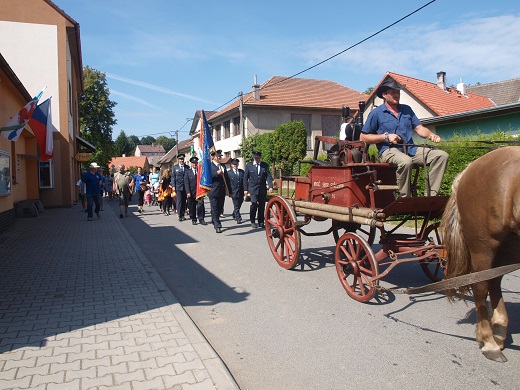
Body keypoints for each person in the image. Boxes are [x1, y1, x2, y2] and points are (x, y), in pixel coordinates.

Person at [360, 79, 449, 198]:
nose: (397, 95)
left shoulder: (407, 110)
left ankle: (430, 196)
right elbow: (363, 137)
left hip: (411, 149)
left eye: (398, 92)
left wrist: (431, 135)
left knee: (441, 156)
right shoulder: (376, 113)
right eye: (393, 92)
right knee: (406, 161)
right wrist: (386, 136)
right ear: (384, 95)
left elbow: (420, 128)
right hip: (388, 151)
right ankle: (404, 198)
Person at [243, 151, 273, 229]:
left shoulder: (265, 165)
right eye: (255, 158)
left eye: (258, 158)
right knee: (254, 203)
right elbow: (245, 178)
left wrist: (270, 186)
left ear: (260, 158)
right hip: (253, 188)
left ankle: (260, 222)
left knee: (262, 205)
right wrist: (245, 189)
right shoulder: (249, 166)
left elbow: (268, 176)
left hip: (262, 189)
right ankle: (252, 221)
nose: (256, 159)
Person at [208, 150, 229, 233]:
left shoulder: (223, 166)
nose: (220, 157)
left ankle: (214, 219)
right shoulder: (209, 166)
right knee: (215, 208)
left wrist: (228, 190)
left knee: (220, 209)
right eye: (218, 156)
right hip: (213, 191)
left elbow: (226, 179)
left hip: (221, 191)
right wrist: (217, 173)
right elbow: (208, 177)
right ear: (213, 157)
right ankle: (217, 225)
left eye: (220, 156)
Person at [184, 156, 207, 225]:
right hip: (191, 192)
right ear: (191, 164)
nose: (194, 164)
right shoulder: (188, 172)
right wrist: (188, 192)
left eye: (196, 163)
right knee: (192, 206)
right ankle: (193, 219)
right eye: (193, 163)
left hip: (199, 192)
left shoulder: (200, 171)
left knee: (201, 206)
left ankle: (201, 219)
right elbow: (186, 183)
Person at [228, 158, 244, 224]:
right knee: (236, 204)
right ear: (231, 165)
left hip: (241, 191)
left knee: (240, 203)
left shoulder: (241, 172)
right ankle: (238, 218)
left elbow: (244, 181)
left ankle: (234, 213)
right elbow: (228, 183)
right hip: (233, 191)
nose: (235, 165)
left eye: (236, 164)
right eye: (234, 164)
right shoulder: (229, 173)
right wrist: (229, 192)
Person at [172, 154, 187, 221]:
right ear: (178, 160)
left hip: (185, 187)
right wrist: (173, 186)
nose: (181, 160)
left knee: (184, 201)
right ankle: (180, 215)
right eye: (180, 159)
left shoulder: (187, 167)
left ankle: (183, 214)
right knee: (179, 201)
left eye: (182, 159)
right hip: (178, 187)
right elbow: (173, 177)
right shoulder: (175, 167)